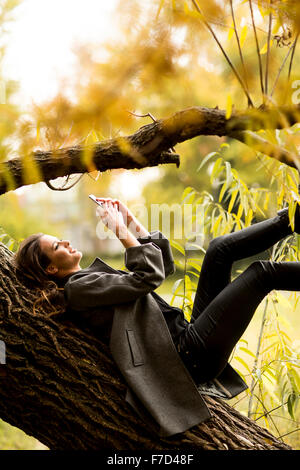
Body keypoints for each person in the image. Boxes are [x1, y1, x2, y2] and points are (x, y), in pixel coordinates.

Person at [13, 198, 300, 437]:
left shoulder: (88, 279)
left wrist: (130, 222)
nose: (65, 241)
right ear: (50, 270)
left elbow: (162, 264)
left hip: (188, 336)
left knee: (218, 250)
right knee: (261, 273)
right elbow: (149, 277)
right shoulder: (78, 290)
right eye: (56, 247)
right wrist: (118, 230)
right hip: (188, 357)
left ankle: (294, 216)